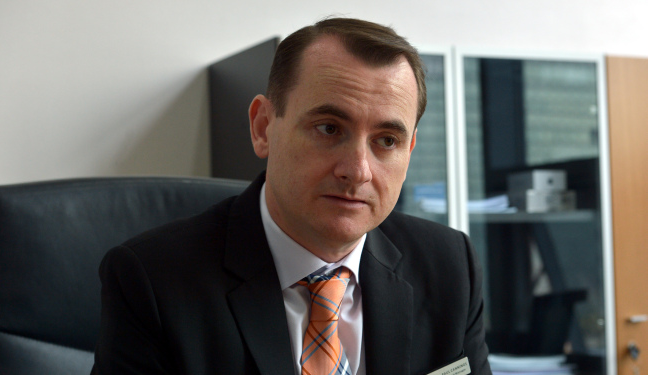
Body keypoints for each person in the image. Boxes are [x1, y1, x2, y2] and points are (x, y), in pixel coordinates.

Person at [92, 17, 491, 375]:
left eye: (386, 140)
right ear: (264, 127)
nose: (358, 170)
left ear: (409, 152)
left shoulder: (450, 267)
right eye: (329, 129)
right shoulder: (153, 280)